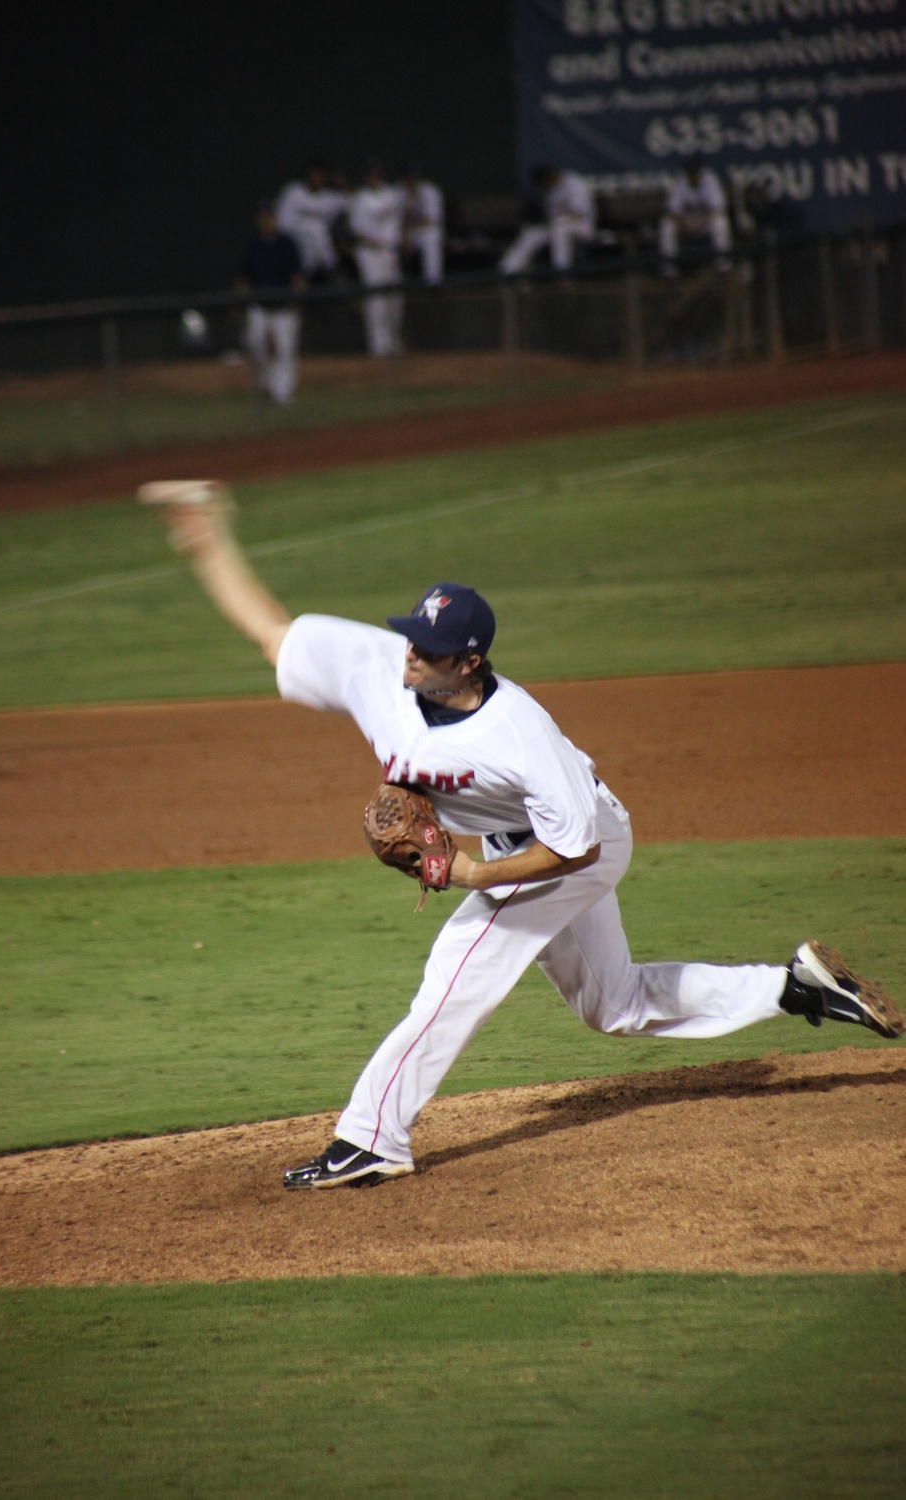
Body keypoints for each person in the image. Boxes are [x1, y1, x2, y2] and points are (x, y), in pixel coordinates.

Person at [137, 481, 905, 1191]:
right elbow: (275, 636)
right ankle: (795, 986)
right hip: (538, 845)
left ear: (468, 662)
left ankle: (372, 1137)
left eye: (426, 649)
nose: (408, 653)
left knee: (455, 971)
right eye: (409, 637)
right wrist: (207, 539)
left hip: (567, 846)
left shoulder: (518, 730)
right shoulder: (381, 667)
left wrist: (471, 876)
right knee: (613, 1004)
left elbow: (579, 851)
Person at [236, 201, 306, 405]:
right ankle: (268, 383)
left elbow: (297, 276)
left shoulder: (287, 243)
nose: (268, 220)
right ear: (258, 220)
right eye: (264, 217)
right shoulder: (253, 245)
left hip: (284, 306)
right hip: (259, 306)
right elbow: (243, 278)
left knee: (285, 349)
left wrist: (298, 300)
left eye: (271, 216)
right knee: (256, 344)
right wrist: (241, 302)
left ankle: (283, 393)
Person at [350, 157, 405, 356]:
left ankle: (394, 342)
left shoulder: (391, 194)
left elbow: (401, 220)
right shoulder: (359, 199)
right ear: (366, 176)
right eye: (372, 173)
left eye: (378, 173)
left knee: (396, 300)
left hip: (390, 253)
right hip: (370, 254)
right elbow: (356, 232)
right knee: (376, 301)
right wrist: (377, 243)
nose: (375, 177)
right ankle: (378, 346)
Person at [500, 164, 595, 275]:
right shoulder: (550, 190)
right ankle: (506, 270)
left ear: (549, 176)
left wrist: (556, 220)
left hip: (583, 226)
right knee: (530, 233)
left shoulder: (573, 183)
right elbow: (550, 216)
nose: (544, 186)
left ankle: (562, 273)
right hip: (557, 225)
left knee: (560, 229)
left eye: (544, 182)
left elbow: (579, 214)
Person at [274, 160, 350, 282]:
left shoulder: (329, 197)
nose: (318, 178)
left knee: (316, 230)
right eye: (315, 174)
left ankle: (308, 275)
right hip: (292, 238)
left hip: (315, 248)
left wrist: (342, 183)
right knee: (314, 227)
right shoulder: (293, 191)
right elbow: (279, 221)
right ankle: (332, 267)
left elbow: (354, 202)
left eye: (321, 175)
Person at [659, 161, 733, 274]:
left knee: (720, 223)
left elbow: (718, 208)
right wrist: (685, 224)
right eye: (690, 172)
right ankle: (669, 270)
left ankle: (722, 266)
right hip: (685, 223)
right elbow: (673, 210)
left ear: (699, 172)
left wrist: (699, 223)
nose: (692, 175)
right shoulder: (681, 180)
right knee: (666, 225)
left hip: (704, 222)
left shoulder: (709, 179)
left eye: (695, 172)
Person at [399, 161, 445, 285]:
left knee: (432, 236)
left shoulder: (431, 191)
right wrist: (405, 235)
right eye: (409, 176)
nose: (412, 180)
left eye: (415, 176)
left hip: (424, 231)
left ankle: (433, 282)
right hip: (404, 232)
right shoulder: (399, 192)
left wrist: (408, 232)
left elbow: (430, 219)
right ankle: (398, 280)